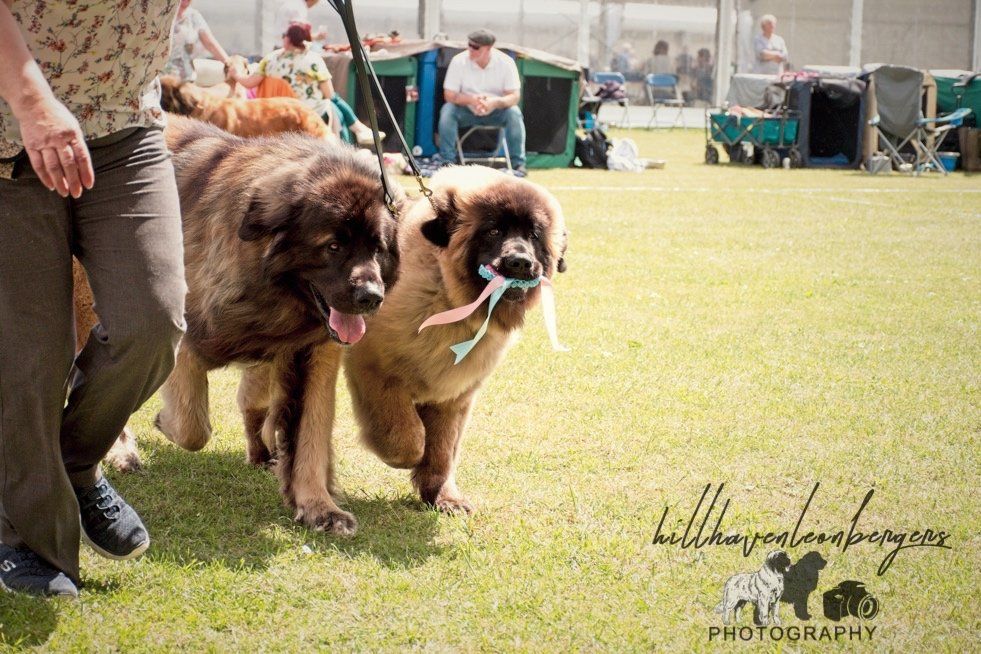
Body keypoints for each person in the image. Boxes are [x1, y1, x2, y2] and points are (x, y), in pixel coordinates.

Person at [0, 1, 186, 597]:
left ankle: (73, 462)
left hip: (125, 125)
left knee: (153, 321)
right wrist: (33, 105)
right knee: (28, 358)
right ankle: (27, 539)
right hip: (8, 133)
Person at [232, 22, 379, 146]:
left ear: (288, 40)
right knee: (334, 105)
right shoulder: (313, 59)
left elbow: (249, 83)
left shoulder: (270, 59)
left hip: (276, 113)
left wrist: (235, 75)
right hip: (308, 113)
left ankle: (359, 130)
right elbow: (329, 93)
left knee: (334, 107)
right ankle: (354, 135)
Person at [438, 29, 526, 176]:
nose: (470, 49)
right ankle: (448, 162)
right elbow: (449, 95)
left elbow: (514, 97)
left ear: (488, 48)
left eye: (475, 47)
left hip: (497, 112)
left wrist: (494, 102)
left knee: (514, 113)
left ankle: (518, 164)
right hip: (466, 111)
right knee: (448, 110)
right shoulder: (459, 61)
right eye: (469, 45)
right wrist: (472, 100)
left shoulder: (506, 62)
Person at [163, 0, 231, 82]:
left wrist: (230, 64)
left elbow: (210, 44)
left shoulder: (194, 16)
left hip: (187, 80)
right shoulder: (162, 15)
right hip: (164, 80)